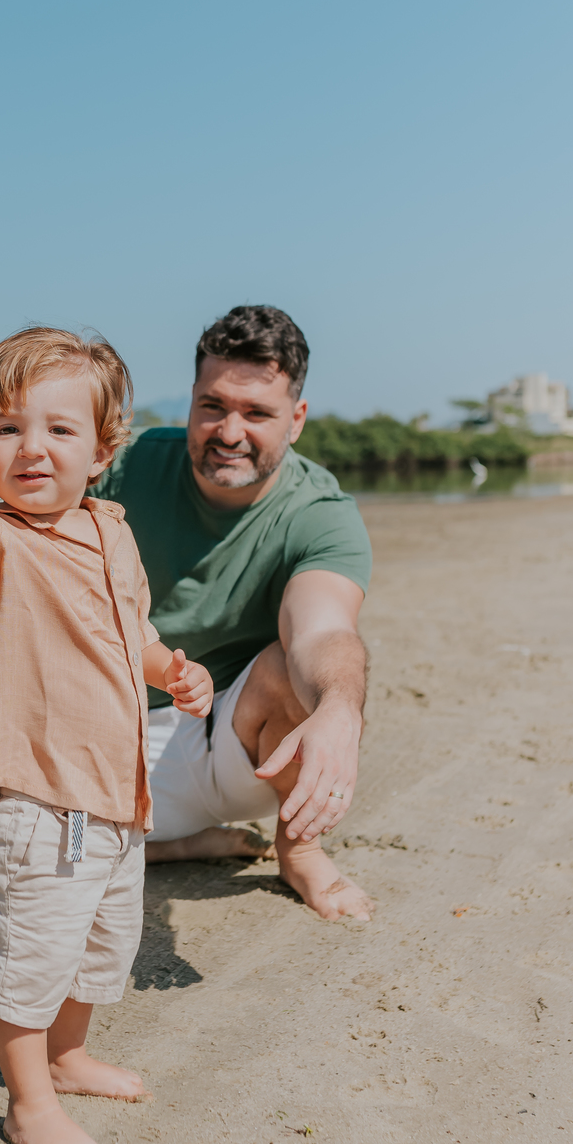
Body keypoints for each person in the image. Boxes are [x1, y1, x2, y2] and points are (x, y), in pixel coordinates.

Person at [0, 327, 214, 1144]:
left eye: (59, 429)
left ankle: (65, 1057)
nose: (31, 449)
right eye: (5, 429)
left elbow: (131, 631)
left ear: (103, 450)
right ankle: (28, 1106)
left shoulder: (108, 527)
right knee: (36, 950)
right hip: (37, 799)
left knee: (102, 941)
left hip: (116, 793)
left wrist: (170, 671)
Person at [98, 305, 375, 922]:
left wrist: (338, 708)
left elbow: (322, 630)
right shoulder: (124, 464)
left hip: (223, 748)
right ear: (189, 404)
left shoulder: (320, 513)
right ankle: (173, 844)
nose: (229, 431)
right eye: (212, 406)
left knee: (289, 669)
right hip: (95, 732)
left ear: (296, 420)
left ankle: (300, 850)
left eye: (257, 414)